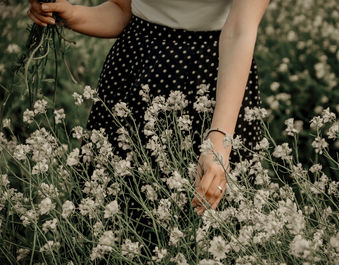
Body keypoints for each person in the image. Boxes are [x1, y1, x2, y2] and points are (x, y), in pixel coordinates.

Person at [27, 0, 269, 252]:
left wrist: (219, 141)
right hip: (134, 70)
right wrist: (70, 14)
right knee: (117, 216)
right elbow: (124, 11)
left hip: (213, 81)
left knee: (203, 231)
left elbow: (240, 30)